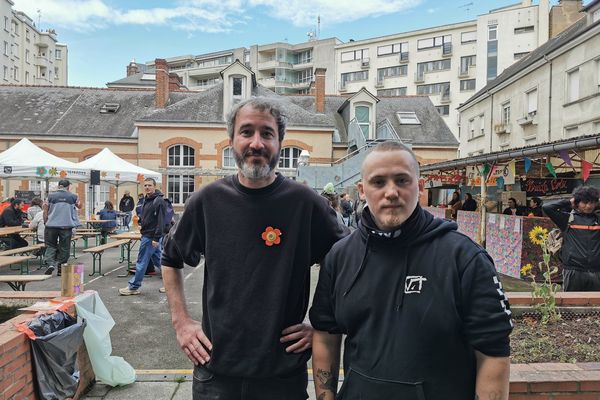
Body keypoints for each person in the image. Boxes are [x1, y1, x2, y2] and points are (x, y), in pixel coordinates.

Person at [160, 97, 346, 400]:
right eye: (247, 132)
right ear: (232, 139)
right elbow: (170, 257)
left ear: (280, 141)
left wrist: (320, 321)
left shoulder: (304, 203)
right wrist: (181, 321)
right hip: (215, 372)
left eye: (267, 133)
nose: (256, 143)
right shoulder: (207, 201)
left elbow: (344, 258)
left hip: (281, 376)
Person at [310, 141, 513, 400]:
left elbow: (493, 352)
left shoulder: (465, 258)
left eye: (402, 180)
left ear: (419, 186)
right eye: (378, 182)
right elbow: (326, 334)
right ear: (362, 190)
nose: (391, 192)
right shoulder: (340, 257)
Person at [542, 186, 600, 291]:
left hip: (596, 272)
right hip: (573, 272)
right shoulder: (567, 219)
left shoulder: (598, 220)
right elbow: (547, 207)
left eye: (591, 202)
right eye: (584, 202)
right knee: (571, 305)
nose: (588, 206)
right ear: (577, 203)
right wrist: (568, 202)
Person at [119, 178, 166, 295]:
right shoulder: (146, 199)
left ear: (155, 186)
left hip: (150, 237)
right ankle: (171, 283)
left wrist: (156, 238)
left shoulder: (159, 201)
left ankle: (133, 287)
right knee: (160, 261)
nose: (147, 187)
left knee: (141, 261)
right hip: (148, 234)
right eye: (145, 185)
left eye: (149, 185)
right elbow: (146, 216)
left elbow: (161, 221)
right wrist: (141, 223)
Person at [44, 179, 81, 276]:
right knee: (64, 247)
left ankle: (50, 264)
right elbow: (80, 206)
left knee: (50, 245)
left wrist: (46, 222)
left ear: (59, 186)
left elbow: (45, 210)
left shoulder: (50, 196)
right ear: (68, 186)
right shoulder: (73, 196)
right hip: (66, 226)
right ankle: (61, 267)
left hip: (51, 225)